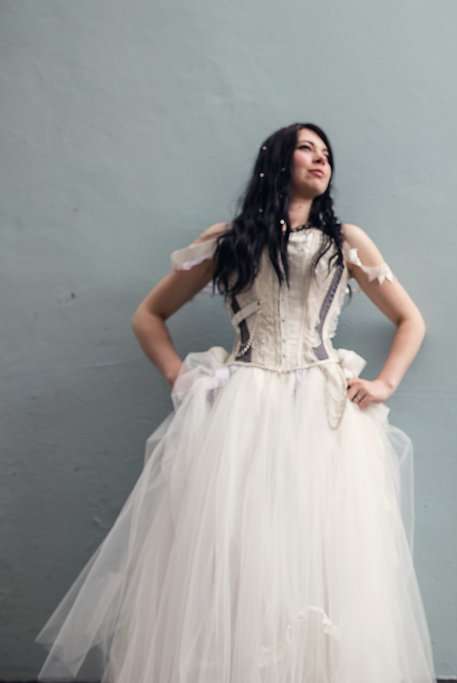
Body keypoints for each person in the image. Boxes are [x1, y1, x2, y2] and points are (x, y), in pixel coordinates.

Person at [36, 123, 435, 682]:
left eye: (326, 153)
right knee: (238, 553)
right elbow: (148, 316)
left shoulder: (344, 241)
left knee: (324, 553)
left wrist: (384, 384)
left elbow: (410, 319)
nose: (320, 159)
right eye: (306, 148)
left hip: (323, 412)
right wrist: (180, 377)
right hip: (242, 409)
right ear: (277, 160)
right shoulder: (228, 240)